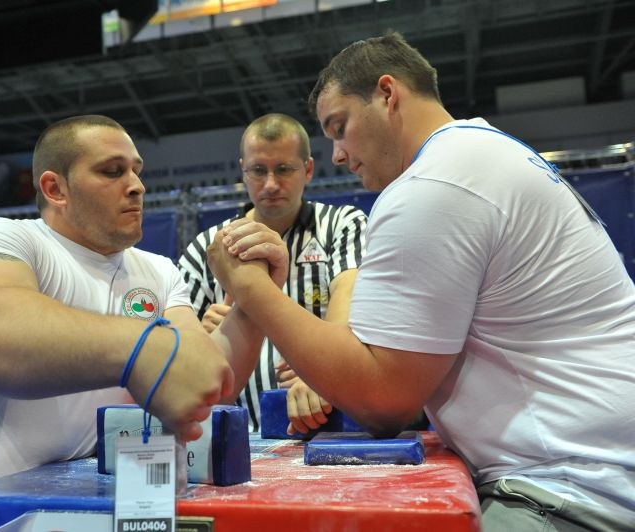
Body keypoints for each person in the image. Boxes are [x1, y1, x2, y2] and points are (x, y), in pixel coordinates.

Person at [206, 32, 635, 531]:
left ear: (388, 94)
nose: (338, 155)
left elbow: (384, 402)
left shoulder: (434, 185)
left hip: (570, 489)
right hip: (590, 470)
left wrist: (252, 289)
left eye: (340, 128)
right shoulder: (485, 151)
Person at [0, 115, 277, 521]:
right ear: (55, 188)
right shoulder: (1, 239)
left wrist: (255, 298)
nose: (136, 185)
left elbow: (202, 380)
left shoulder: (158, 271)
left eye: (137, 170)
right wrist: (141, 348)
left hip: (74, 515)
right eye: (112, 171)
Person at [178, 113, 368, 432]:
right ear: (243, 170)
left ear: (307, 169)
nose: (270, 184)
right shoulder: (207, 248)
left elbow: (350, 299)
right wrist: (203, 335)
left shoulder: (341, 225)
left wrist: (327, 370)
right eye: (258, 171)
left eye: (283, 170)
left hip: (326, 429)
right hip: (238, 436)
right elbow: (176, 352)